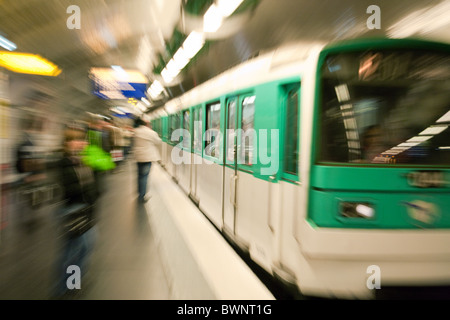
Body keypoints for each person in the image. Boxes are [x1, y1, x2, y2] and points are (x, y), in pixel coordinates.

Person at [52, 124, 99, 299]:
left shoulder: (82, 159)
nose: (81, 143)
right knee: (72, 250)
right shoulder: (62, 162)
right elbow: (68, 188)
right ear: (68, 143)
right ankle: (63, 288)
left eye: (82, 140)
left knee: (85, 247)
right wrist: (85, 187)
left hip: (86, 209)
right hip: (72, 209)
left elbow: (94, 181)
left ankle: (70, 284)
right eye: (76, 140)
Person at [133, 117, 161, 203]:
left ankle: (139, 192)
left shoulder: (136, 131)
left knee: (139, 175)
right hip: (147, 157)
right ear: (147, 125)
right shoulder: (151, 132)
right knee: (144, 176)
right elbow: (158, 142)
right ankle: (142, 195)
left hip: (138, 157)